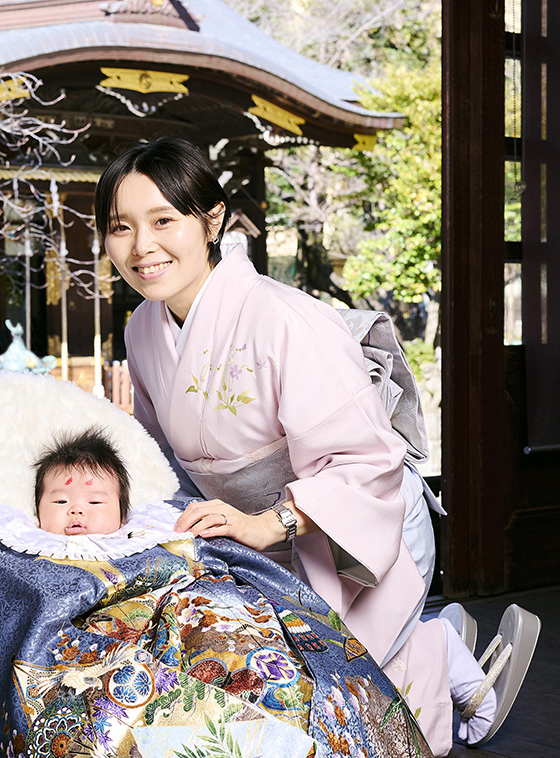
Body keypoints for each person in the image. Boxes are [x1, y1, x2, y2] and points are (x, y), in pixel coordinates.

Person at [93, 136, 537, 755]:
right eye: (120, 227)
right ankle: (423, 636)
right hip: (256, 537)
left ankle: (436, 650)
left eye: (164, 220)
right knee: (272, 700)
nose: (142, 247)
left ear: (211, 219)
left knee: (351, 709)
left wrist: (268, 523)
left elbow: (369, 461)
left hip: (352, 522)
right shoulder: (143, 327)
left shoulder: (281, 317)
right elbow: (160, 458)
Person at [34, 427, 130, 536]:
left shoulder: (138, 545)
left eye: (95, 502)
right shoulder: (25, 545)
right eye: (61, 501)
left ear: (122, 519)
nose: (76, 510)